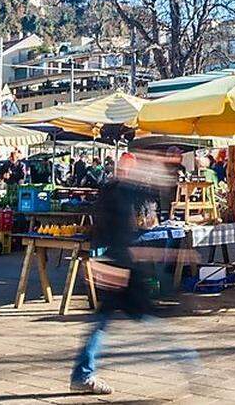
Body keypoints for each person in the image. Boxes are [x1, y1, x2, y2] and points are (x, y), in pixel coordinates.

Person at [70, 152, 197, 394]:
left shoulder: (116, 191)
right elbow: (116, 236)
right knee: (145, 319)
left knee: (105, 322)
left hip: (115, 266)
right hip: (119, 269)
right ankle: (188, 360)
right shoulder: (117, 193)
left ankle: (82, 373)